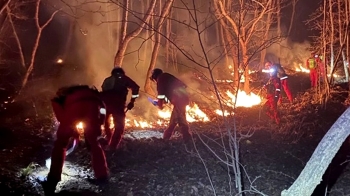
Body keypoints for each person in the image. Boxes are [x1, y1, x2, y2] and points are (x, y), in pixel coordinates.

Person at [42, 85, 109, 195]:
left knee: (61, 144)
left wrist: (72, 130)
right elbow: (102, 109)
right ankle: (102, 178)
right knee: (94, 144)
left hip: (73, 113)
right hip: (92, 111)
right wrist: (99, 123)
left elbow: (62, 118)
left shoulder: (59, 99)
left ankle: (52, 180)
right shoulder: (93, 95)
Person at [100, 67, 140, 150]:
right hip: (117, 105)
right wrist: (132, 101)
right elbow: (136, 87)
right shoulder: (123, 78)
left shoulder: (107, 80)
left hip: (104, 104)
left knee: (106, 123)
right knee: (119, 126)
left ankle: (109, 140)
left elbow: (103, 90)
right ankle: (113, 146)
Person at [150, 68, 192, 141]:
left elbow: (161, 94)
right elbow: (168, 95)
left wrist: (160, 104)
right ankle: (186, 137)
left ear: (155, 76)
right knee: (179, 119)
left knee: (177, 120)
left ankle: (168, 138)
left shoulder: (161, 78)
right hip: (182, 99)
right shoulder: (166, 77)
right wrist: (160, 102)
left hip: (179, 100)